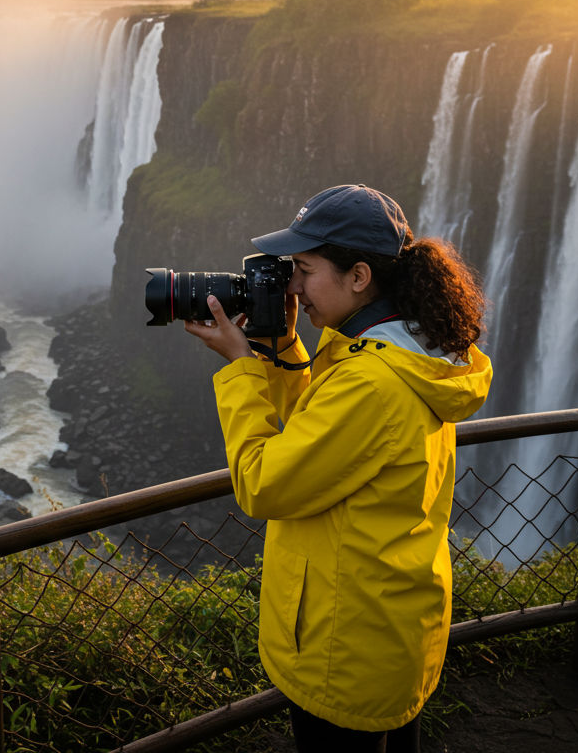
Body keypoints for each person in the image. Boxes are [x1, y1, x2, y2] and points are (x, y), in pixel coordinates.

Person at [185, 184, 492, 753]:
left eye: (303, 268)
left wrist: (239, 369)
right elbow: (327, 434)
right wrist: (280, 348)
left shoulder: (370, 380)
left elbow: (262, 482)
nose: (293, 284)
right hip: (389, 615)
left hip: (344, 639)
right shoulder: (405, 347)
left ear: (358, 276)